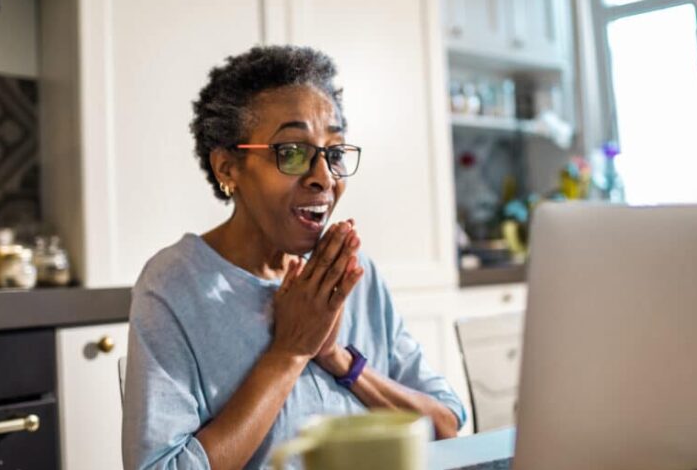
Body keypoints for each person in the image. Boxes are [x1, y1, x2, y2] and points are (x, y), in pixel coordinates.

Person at [122, 45, 466, 470]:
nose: (324, 178)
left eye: (334, 153)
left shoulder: (354, 274)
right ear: (228, 168)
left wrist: (338, 358)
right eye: (292, 152)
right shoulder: (175, 284)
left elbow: (446, 425)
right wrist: (290, 352)